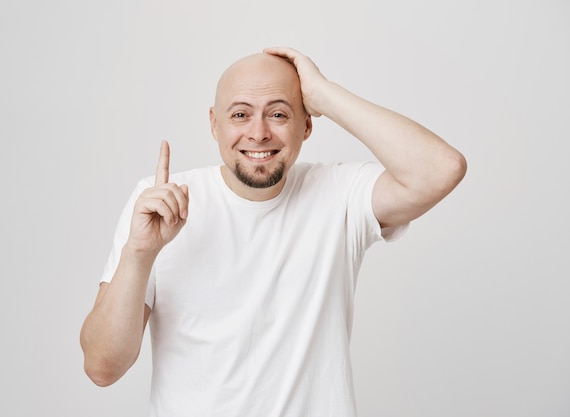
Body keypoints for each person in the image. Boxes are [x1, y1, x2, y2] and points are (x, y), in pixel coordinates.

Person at [80, 47, 467, 416]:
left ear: (307, 124)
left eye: (279, 115)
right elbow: (102, 367)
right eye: (240, 115)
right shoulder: (159, 204)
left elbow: (441, 169)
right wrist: (140, 253)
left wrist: (324, 93)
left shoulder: (339, 195)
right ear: (214, 124)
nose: (259, 133)